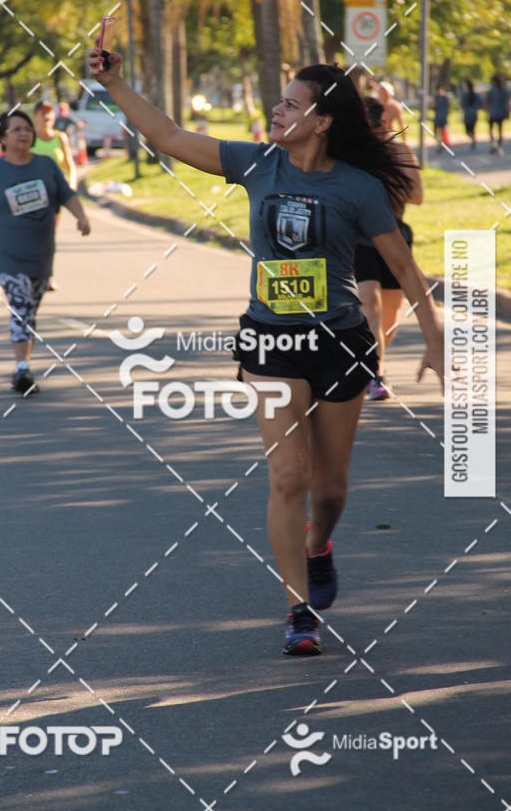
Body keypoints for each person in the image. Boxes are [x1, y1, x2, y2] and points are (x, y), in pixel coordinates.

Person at [88, 46, 445, 656]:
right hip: (270, 340)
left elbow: (404, 267)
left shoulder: (357, 188)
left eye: (290, 104)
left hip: (338, 341)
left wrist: (435, 342)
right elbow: (169, 135)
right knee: (288, 476)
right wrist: (113, 83)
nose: (276, 112)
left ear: (323, 120)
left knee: (329, 490)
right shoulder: (257, 165)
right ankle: (298, 610)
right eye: (278, 101)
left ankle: (319, 546)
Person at [0, 110, 91, 394]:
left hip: (41, 257)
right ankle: (22, 369)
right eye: (17, 129)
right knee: (20, 305)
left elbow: (67, 195)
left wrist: (81, 217)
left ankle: (23, 364)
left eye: (28, 129)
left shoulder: (45, 165)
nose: (25, 134)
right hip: (7, 256)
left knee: (29, 311)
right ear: (3, 138)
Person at [355, 97, 423, 400]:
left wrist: (385, 182)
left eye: (380, 124)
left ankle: (374, 362)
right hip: (361, 240)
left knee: (391, 317)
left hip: (394, 236)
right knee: (370, 303)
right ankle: (375, 374)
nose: (379, 130)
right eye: (371, 126)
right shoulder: (352, 153)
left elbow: (418, 195)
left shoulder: (399, 151)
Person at [32, 99, 77, 291]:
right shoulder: (29, 138)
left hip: (53, 196)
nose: (47, 117)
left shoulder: (61, 138)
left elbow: (70, 165)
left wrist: (71, 186)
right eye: (43, 113)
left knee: (49, 235)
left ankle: (48, 276)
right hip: (31, 196)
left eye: (50, 113)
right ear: (35, 116)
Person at [485, 74, 509, 155]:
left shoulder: (492, 90)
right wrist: (508, 112)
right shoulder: (505, 89)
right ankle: (499, 146)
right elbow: (507, 102)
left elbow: (487, 102)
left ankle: (493, 144)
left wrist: (486, 111)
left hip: (493, 112)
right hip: (501, 112)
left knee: (491, 128)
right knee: (500, 129)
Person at [460, 80, 482, 151]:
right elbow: (480, 104)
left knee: (468, 130)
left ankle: (473, 140)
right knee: (472, 129)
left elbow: (462, 104)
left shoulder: (465, 95)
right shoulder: (476, 95)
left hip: (468, 113)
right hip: (474, 113)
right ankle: (473, 140)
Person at [432, 84, 450, 151]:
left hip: (440, 116)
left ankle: (441, 143)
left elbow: (433, 106)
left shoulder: (440, 97)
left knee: (439, 131)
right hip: (440, 116)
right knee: (438, 131)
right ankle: (441, 143)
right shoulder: (443, 97)